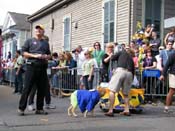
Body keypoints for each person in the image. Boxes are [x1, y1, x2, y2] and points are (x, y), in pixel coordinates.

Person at [18, 24, 51, 115]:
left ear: (43, 31)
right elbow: (23, 53)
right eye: (37, 29)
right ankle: (21, 108)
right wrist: (35, 55)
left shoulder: (45, 43)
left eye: (40, 29)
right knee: (27, 88)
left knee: (42, 89)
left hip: (42, 67)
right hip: (31, 66)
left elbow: (49, 55)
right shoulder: (29, 41)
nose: (38, 30)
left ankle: (39, 109)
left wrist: (46, 56)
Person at [105, 46, 135, 117]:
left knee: (112, 91)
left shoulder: (122, 52)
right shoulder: (131, 59)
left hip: (120, 71)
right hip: (129, 73)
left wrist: (111, 54)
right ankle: (127, 110)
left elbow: (112, 58)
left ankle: (110, 110)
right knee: (126, 94)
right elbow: (133, 72)